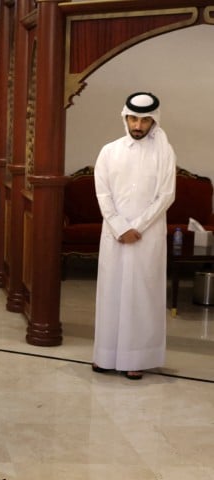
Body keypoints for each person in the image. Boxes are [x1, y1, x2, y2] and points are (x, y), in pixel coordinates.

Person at [92, 92, 176, 380]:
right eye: (133, 118)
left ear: (154, 121)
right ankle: (105, 355)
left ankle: (136, 359)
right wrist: (119, 226)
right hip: (114, 235)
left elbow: (166, 195)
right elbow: (103, 193)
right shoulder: (109, 151)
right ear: (125, 118)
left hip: (147, 236)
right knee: (111, 292)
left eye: (144, 120)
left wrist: (136, 227)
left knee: (142, 296)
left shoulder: (165, 152)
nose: (138, 125)